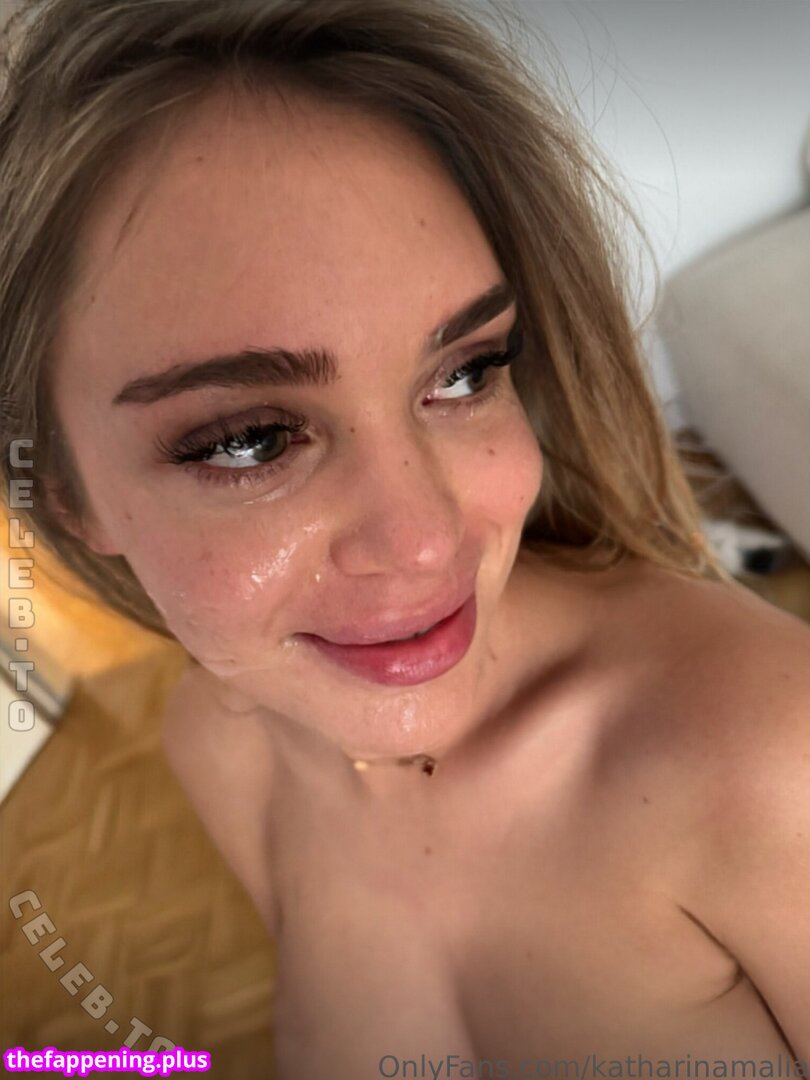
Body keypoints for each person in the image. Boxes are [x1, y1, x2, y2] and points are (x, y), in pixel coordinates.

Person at [2, 1, 809, 1076]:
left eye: (465, 373)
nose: (426, 543)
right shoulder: (222, 749)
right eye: (248, 440)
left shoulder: (770, 764)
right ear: (68, 494)